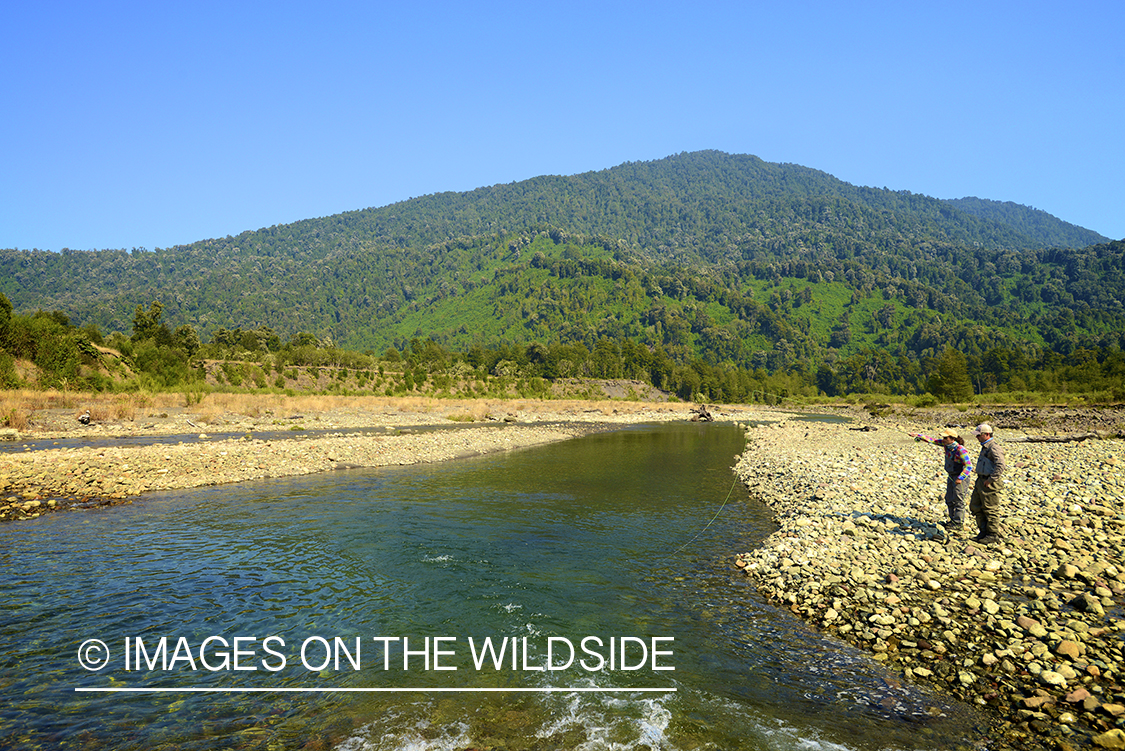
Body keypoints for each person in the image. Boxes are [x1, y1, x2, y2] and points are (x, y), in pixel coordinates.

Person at [910, 428, 973, 535]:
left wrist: (960, 478)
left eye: (945, 437)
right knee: (949, 498)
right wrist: (918, 435)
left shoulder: (960, 450)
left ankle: (958, 524)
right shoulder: (946, 445)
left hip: (960, 478)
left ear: (952, 439)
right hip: (951, 475)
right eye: (943, 437)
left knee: (959, 500)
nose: (943, 439)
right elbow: (932, 440)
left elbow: (968, 466)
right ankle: (952, 520)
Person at [969, 423, 1006, 544]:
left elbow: (1001, 465)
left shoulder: (993, 447)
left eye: (979, 435)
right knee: (976, 506)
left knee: (990, 509)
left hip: (989, 482)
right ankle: (983, 532)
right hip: (981, 480)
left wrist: (990, 479)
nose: (977, 437)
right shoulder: (985, 446)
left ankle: (992, 534)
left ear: (987, 434)